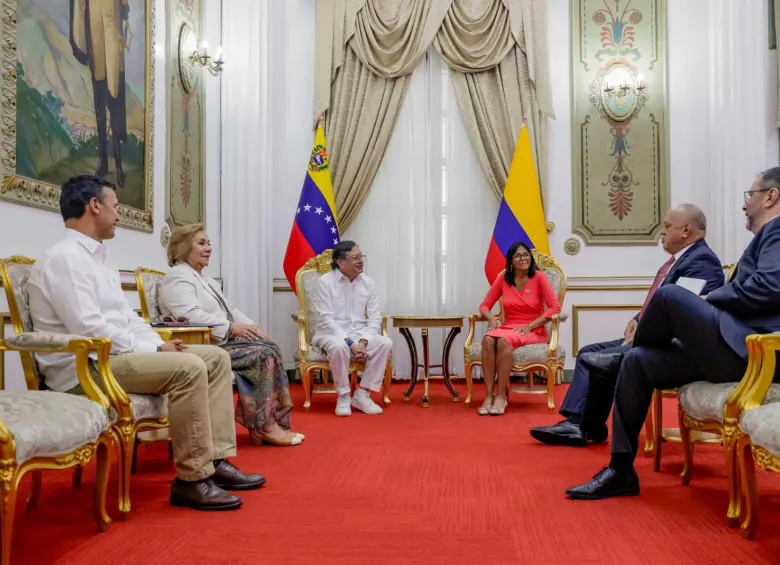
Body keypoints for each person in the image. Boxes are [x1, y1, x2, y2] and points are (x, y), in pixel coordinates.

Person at [27, 175, 264, 511]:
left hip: (114, 357)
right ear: (94, 206)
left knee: (215, 358)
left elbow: (127, 318)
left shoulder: (99, 257)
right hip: (86, 369)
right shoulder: (65, 258)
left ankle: (215, 461)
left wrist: (159, 344)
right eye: (115, 205)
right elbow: (90, 329)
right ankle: (192, 479)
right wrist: (155, 350)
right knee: (190, 367)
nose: (118, 213)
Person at [566, 168, 780, 500]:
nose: (744, 206)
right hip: (728, 348)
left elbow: (769, 287)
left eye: (749, 196)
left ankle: (618, 356)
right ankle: (620, 469)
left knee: (671, 296)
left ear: (771, 196)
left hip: (750, 353)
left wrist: (712, 298)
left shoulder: (778, 231)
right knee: (637, 362)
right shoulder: (765, 238)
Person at [530, 204, 724, 446]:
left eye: (666, 227)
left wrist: (646, 327)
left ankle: (583, 427)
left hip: (670, 346)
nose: (661, 233)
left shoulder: (702, 260)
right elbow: (662, 302)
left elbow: (685, 311)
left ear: (686, 230)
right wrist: (636, 320)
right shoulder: (683, 259)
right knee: (589, 352)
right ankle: (580, 423)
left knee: (603, 359)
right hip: (652, 335)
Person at [159, 224, 304, 447]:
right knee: (261, 354)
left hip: (221, 340)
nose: (208, 248)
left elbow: (231, 310)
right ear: (183, 247)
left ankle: (269, 422)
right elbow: (190, 316)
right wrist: (232, 328)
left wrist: (254, 328)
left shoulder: (205, 279)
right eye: (201, 243)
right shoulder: (177, 277)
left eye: (208, 243)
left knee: (270, 346)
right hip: (199, 345)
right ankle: (266, 426)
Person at [477, 242, 561, 416]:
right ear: (511, 261)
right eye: (518, 255)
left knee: (502, 340)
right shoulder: (503, 278)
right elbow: (484, 305)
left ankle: (501, 396)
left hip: (533, 330)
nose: (523, 258)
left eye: (525, 255)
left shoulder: (539, 277)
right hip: (508, 326)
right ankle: (488, 396)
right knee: (487, 339)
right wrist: (492, 318)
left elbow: (555, 307)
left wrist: (532, 325)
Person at [312, 240, 392, 417]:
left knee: (385, 343)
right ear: (340, 262)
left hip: (359, 333)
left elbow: (374, 318)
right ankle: (343, 395)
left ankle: (363, 393)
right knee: (339, 347)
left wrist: (363, 341)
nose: (360, 260)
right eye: (355, 257)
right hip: (329, 333)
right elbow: (326, 320)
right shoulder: (325, 282)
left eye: (361, 256)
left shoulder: (368, 283)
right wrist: (350, 343)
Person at [70, 0, 129, 187]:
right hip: (95, 36)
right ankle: (104, 161)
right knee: (100, 105)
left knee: (115, 102)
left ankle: (118, 164)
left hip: (112, 37)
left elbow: (125, 9)